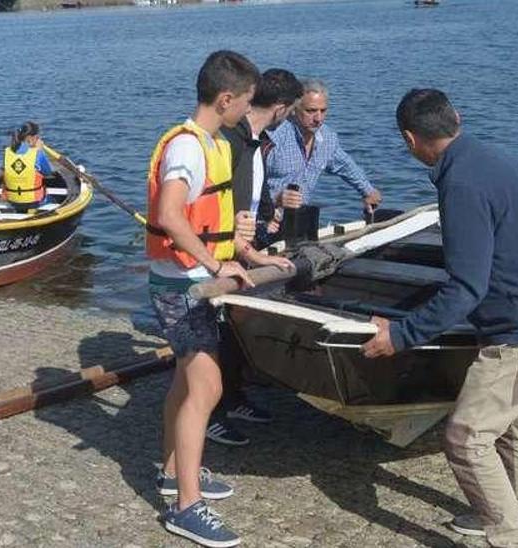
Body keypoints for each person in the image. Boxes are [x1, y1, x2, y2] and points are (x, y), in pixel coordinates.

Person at [363, 89, 518, 548]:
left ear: (409, 139)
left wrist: (401, 335)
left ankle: (511, 536)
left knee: (466, 438)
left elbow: (465, 288)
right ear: (455, 118)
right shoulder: (494, 157)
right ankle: (513, 509)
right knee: (517, 421)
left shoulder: (461, 182)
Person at [146, 50, 259, 548]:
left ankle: (175, 472)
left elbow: (203, 214)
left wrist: (242, 247)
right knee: (207, 387)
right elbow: (171, 215)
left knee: (185, 381)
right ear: (226, 98)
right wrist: (217, 264)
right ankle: (186, 507)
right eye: (247, 104)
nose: (248, 114)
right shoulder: (189, 148)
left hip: (193, 278)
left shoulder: (210, 143)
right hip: (183, 285)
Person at [207, 68, 303, 446]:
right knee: (215, 333)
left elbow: (251, 198)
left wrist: (270, 218)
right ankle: (212, 414)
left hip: (244, 248)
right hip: (219, 253)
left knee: (234, 328)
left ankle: (233, 397)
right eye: (293, 111)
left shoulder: (255, 142)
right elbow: (214, 197)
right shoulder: (231, 141)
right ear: (281, 108)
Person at [264, 79, 383, 232]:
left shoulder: (327, 138)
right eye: (311, 111)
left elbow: (345, 165)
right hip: (263, 220)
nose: (318, 118)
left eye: (323, 111)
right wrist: (275, 198)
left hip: (299, 221)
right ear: (293, 109)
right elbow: (246, 182)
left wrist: (368, 191)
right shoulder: (274, 138)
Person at [1, 121, 53, 212]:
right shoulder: (37, 153)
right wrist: (40, 150)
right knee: (53, 199)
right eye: (37, 137)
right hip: (34, 201)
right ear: (31, 138)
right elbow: (48, 172)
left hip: (13, 200)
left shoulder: (7, 152)